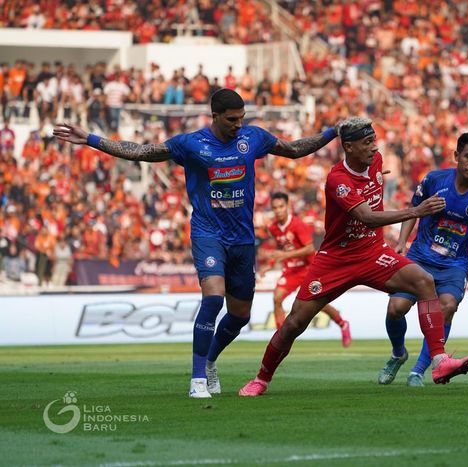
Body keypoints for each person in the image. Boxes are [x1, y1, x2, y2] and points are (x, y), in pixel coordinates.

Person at [53, 88, 341, 397]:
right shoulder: (191, 144)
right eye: (232, 119)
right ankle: (197, 379)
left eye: (242, 118)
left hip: (243, 240)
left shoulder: (253, 138)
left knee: (240, 316)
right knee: (213, 298)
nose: (238, 125)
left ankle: (211, 359)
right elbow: (143, 152)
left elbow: (295, 149)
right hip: (208, 234)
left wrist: (332, 132)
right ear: (215, 116)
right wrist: (92, 139)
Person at [238, 117, 468, 397]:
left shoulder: (375, 162)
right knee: (294, 322)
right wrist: (415, 211)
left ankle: (439, 362)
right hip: (336, 259)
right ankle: (261, 378)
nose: (374, 148)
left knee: (424, 282)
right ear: (348, 147)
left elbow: (371, 195)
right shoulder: (338, 180)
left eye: (374, 141)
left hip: (372, 252)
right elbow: (367, 217)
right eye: (367, 143)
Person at [377, 131, 468, 388]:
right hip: (420, 257)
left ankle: (419, 371)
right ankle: (398, 353)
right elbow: (413, 211)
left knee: (447, 307)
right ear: (456, 156)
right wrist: (401, 243)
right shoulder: (434, 180)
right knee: (395, 309)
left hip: (454, 266)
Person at [261, 191, 351, 346]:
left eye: (281, 206)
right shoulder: (274, 228)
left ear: (287, 206)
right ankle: (280, 339)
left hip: (309, 269)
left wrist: (284, 256)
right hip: (291, 271)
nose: (278, 210)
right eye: (275, 208)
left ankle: (342, 323)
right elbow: (282, 249)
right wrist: (268, 266)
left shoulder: (297, 224)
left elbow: (309, 248)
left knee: (317, 304)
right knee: (277, 298)